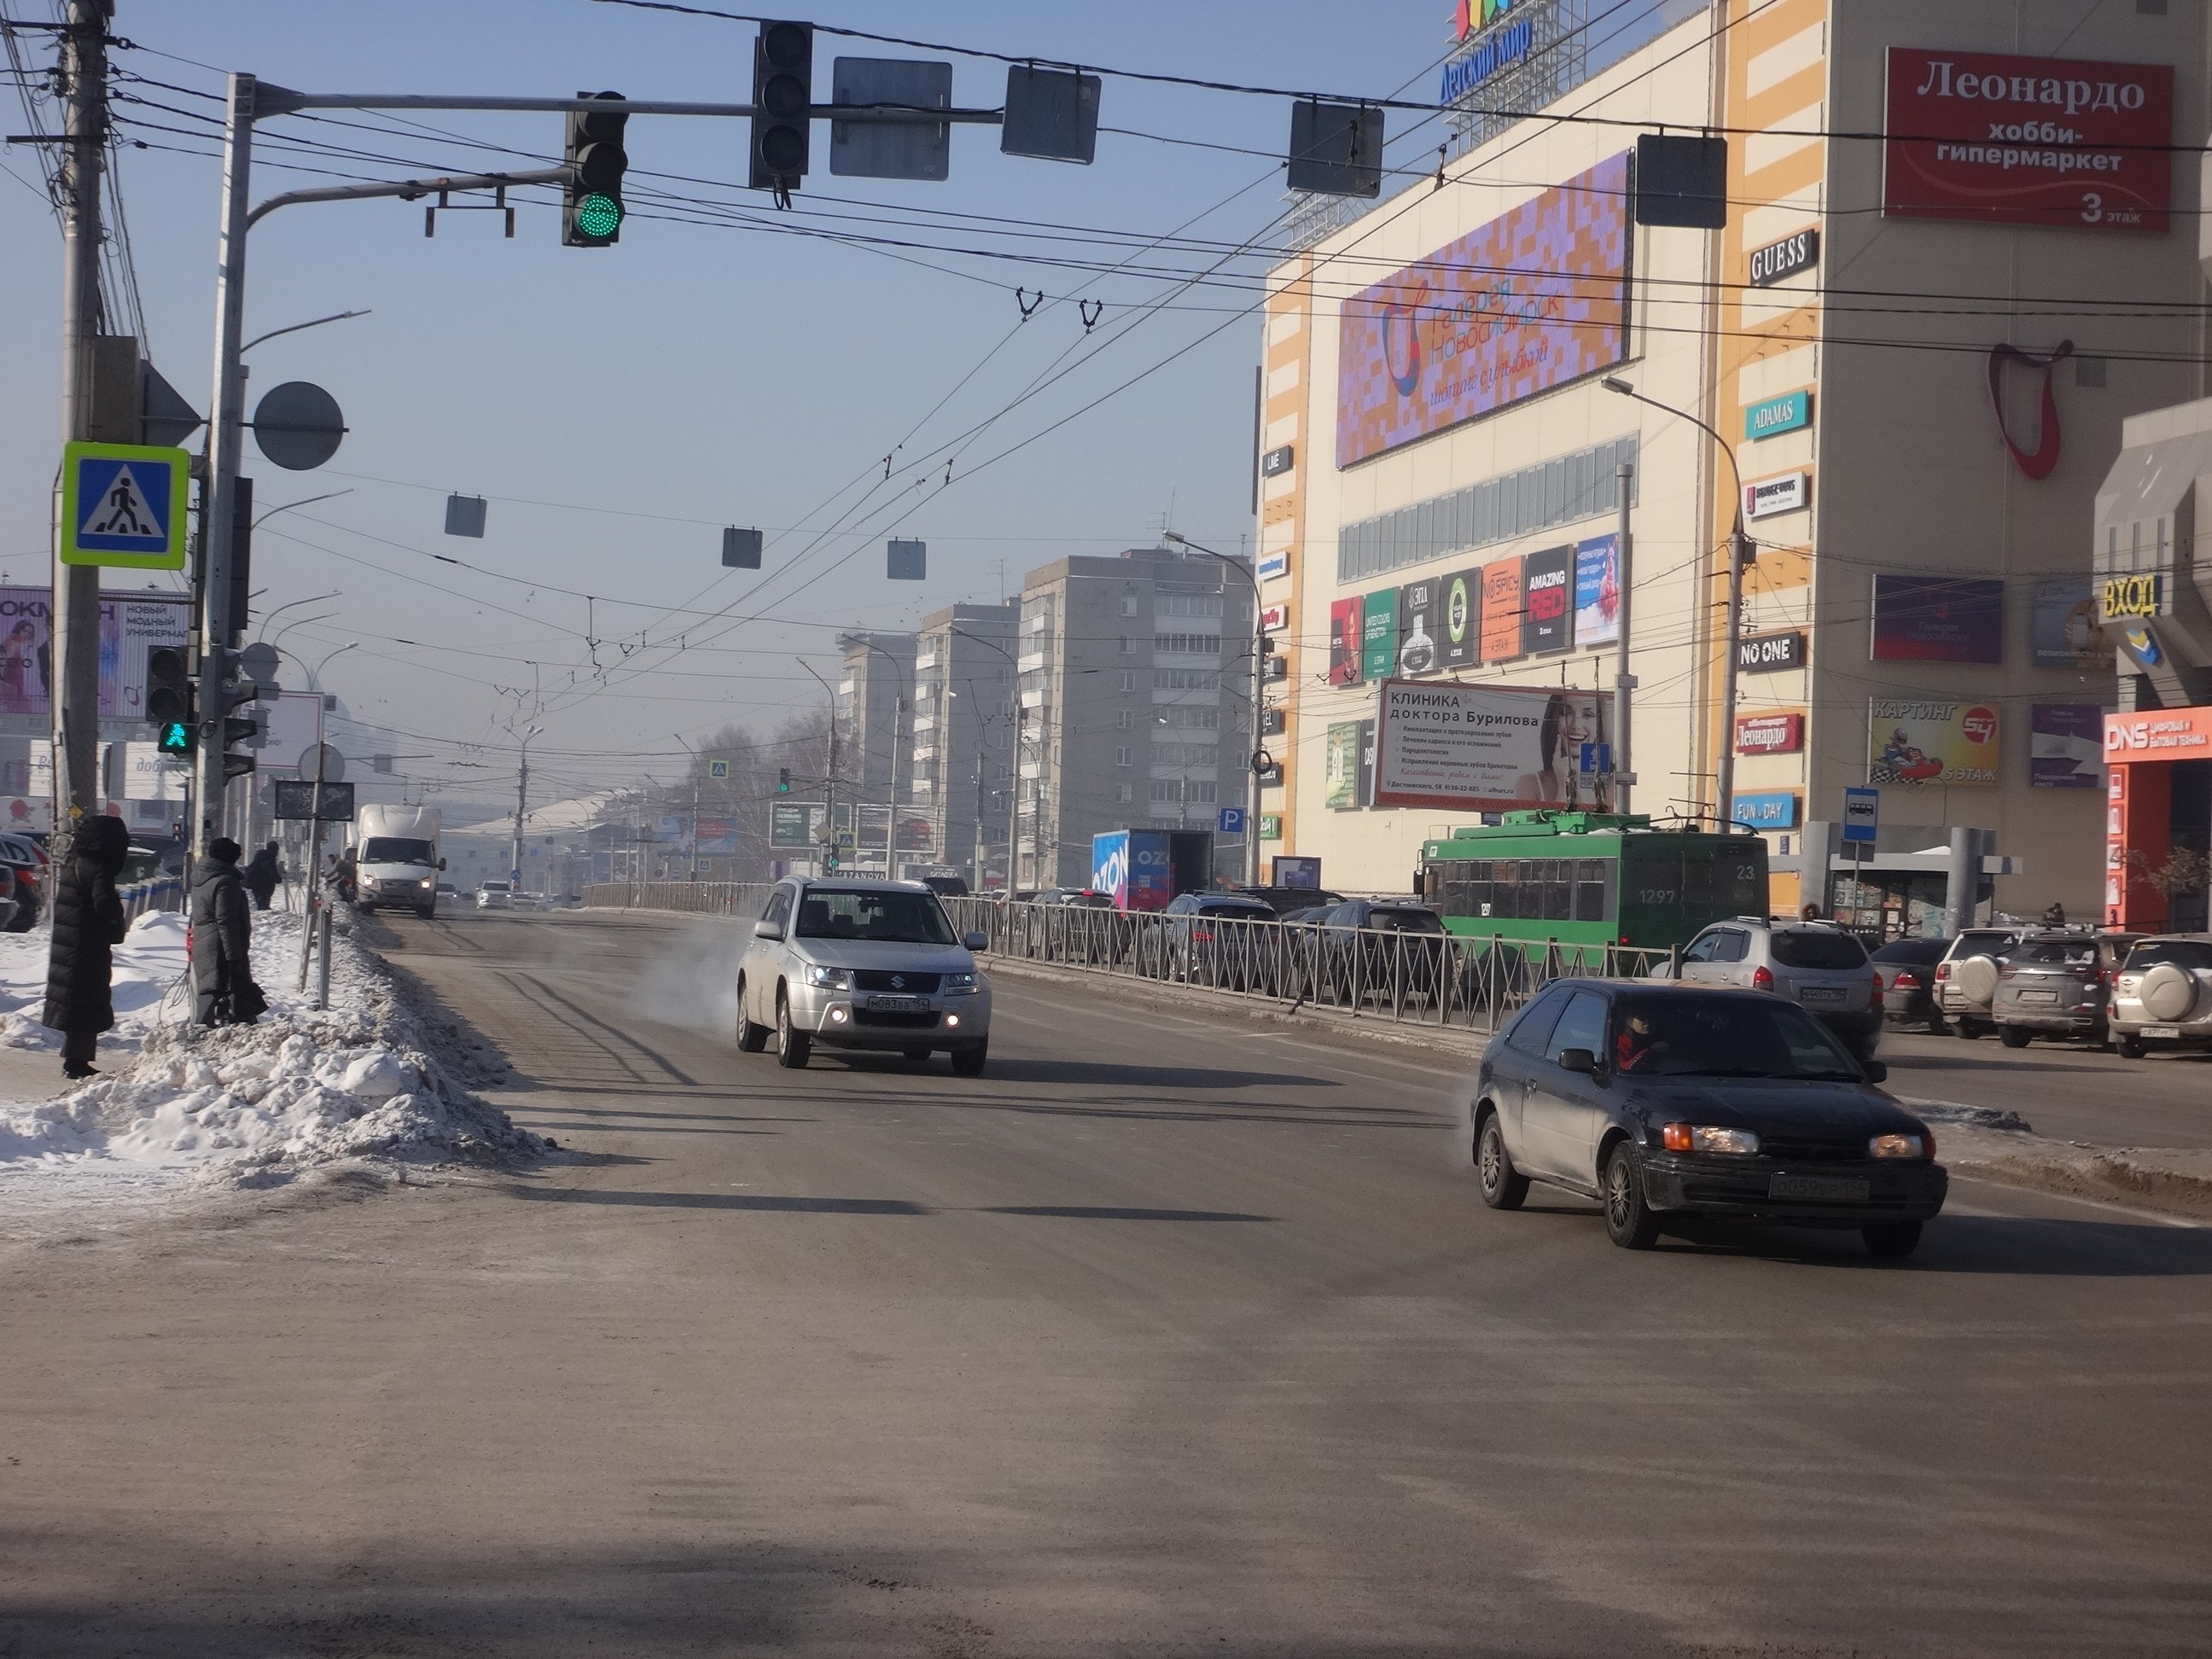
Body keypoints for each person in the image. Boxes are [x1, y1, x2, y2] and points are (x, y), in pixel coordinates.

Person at [41, 815, 130, 1080]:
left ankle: (76, 1060)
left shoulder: (75, 862)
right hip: (85, 945)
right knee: (85, 1002)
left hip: (72, 944)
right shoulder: (98, 867)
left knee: (78, 1003)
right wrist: (116, 917)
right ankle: (76, 1063)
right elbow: (103, 902)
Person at [191, 837, 266, 1027]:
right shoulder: (226, 882)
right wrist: (234, 956)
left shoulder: (203, 879)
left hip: (205, 943)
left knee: (211, 994)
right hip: (221, 947)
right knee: (231, 992)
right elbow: (227, 921)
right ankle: (219, 1035)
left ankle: (203, 1031)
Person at [243, 841, 281, 911]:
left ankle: (262, 916)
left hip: (255, 885)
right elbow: (272, 871)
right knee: (264, 905)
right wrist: (278, 879)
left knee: (260, 903)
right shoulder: (269, 858)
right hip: (265, 886)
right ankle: (264, 918)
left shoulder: (260, 856)